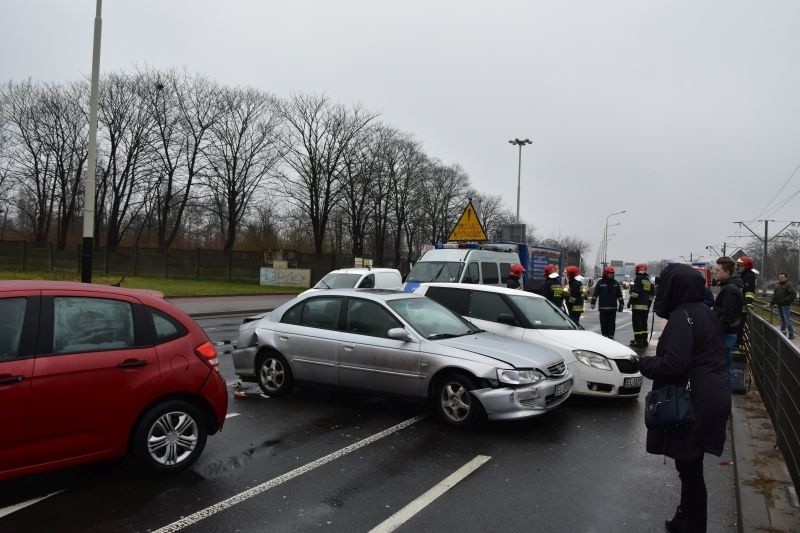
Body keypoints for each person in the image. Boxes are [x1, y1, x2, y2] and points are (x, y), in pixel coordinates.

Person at [639, 263, 731, 533]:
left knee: (690, 470)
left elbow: (674, 364)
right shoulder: (704, 312)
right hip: (711, 395)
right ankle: (684, 518)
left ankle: (693, 526)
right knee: (691, 465)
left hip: (694, 401)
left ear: (674, 288)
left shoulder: (682, 316)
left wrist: (645, 364)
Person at [713, 256, 744, 387]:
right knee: (724, 367)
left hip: (725, 334)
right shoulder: (730, 287)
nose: (716, 272)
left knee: (723, 368)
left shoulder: (729, 289)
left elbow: (726, 315)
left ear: (727, 272)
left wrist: (715, 330)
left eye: (718, 270)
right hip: (728, 333)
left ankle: (723, 397)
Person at [591, 266, 624, 339]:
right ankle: (604, 337)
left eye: (612, 273)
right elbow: (595, 294)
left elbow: (619, 295)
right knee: (603, 323)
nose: (611, 275)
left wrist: (621, 304)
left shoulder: (615, 283)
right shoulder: (600, 282)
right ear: (605, 273)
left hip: (613, 308)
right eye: (609, 273)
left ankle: (611, 337)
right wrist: (593, 303)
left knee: (611, 324)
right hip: (603, 308)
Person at [627, 263, 654, 347]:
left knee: (637, 324)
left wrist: (630, 302)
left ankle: (638, 341)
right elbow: (651, 295)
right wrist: (648, 305)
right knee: (644, 324)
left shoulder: (638, 279)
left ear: (637, 270)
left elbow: (635, 293)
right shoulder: (648, 280)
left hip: (637, 307)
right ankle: (644, 340)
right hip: (645, 307)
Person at [736, 256, 757, 345]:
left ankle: (739, 343)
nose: (739, 267)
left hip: (743, 306)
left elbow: (749, 292)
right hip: (741, 305)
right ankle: (738, 342)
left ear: (746, 266)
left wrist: (746, 304)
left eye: (740, 265)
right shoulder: (744, 274)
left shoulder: (748, 276)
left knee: (739, 326)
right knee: (738, 326)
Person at [770, 272, 796, 339]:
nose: (780, 278)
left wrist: (785, 300)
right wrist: (771, 302)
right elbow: (775, 295)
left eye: (782, 277)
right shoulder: (778, 286)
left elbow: (793, 294)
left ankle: (791, 334)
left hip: (785, 305)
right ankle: (782, 333)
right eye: (779, 277)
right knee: (782, 320)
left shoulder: (788, 285)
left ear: (786, 278)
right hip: (779, 305)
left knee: (787, 320)